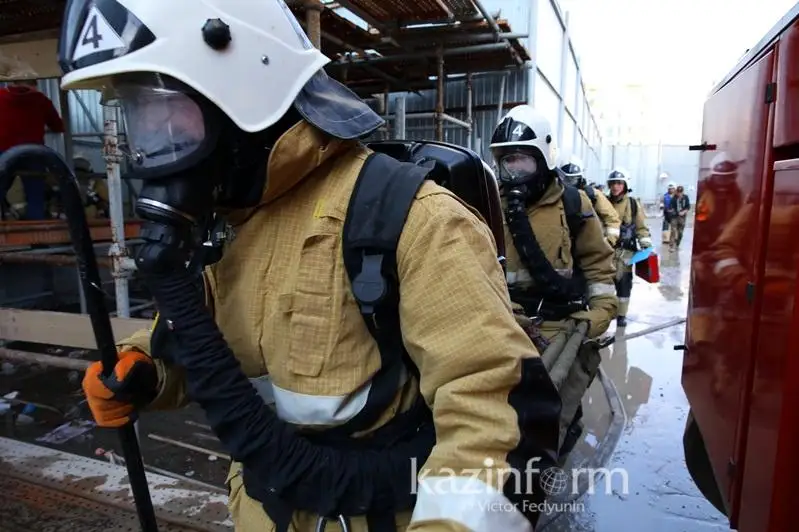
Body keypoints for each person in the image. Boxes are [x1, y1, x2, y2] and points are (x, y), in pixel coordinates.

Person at [68, 2, 561, 531]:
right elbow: (202, 342)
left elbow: (494, 417)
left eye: (162, 109)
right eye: (137, 115)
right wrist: (148, 369)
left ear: (243, 85)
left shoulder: (416, 218)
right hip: (262, 509)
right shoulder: (228, 224)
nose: (151, 140)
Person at [489, 105, 618, 455]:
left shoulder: (574, 204)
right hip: (504, 322)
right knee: (499, 409)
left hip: (558, 325)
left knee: (555, 409)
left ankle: (547, 463)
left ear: (543, 157)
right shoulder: (490, 205)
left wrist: (601, 312)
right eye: (507, 161)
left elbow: (598, 265)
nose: (514, 170)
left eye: (522, 160)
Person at [0, 78, 65, 220]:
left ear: (13, 81)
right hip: (32, 152)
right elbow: (58, 126)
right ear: (34, 84)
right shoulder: (41, 100)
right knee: (35, 195)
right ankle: (38, 232)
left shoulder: (1, 96)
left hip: (3, 151)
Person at [607, 168, 652, 327]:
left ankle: (621, 315)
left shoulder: (632, 204)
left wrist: (646, 244)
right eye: (613, 183)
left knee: (624, 283)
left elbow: (641, 227)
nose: (615, 186)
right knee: (604, 283)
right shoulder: (603, 202)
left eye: (619, 183)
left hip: (625, 253)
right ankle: (604, 312)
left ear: (625, 185)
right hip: (606, 250)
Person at [558, 154, 621, 246]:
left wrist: (607, 243)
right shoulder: (555, 196)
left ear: (581, 178)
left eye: (574, 179)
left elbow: (612, 219)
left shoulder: (593, 195)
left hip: (588, 245)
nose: (569, 183)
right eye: (566, 179)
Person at [667, 185, 690, 251]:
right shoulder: (673, 198)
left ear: (683, 192)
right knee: (673, 231)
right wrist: (673, 211)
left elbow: (688, 207)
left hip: (682, 218)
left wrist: (684, 212)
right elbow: (670, 208)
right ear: (677, 192)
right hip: (674, 217)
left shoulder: (686, 197)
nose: (679, 194)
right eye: (678, 192)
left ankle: (677, 244)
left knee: (680, 233)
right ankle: (671, 246)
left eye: (681, 192)